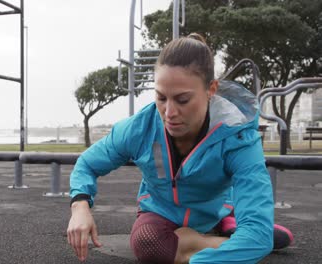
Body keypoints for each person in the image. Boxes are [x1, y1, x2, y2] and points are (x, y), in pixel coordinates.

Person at [67, 33, 293, 263]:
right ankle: (226, 236)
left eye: (183, 100)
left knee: (254, 236)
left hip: (214, 208)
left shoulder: (239, 136)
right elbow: (86, 164)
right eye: (161, 98)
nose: (170, 113)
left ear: (211, 89)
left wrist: (200, 258)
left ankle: (223, 225)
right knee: (147, 245)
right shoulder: (138, 128)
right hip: (160, 211)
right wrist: (80, 206)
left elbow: (257, 236)